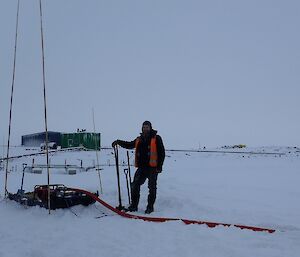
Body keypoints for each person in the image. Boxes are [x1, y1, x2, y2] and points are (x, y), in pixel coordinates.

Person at [112, 121, 165, 214]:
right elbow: (129, 145)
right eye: (144, 127)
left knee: (152, 188)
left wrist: (159, 166)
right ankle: (133, 206)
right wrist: (118, 142)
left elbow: (162, 153)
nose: (145, 129)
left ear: (150, 128)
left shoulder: (156, 138)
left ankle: (150, 207)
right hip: (141, 168)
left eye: (147, 127)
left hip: (153, 168)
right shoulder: (139, 139)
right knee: (135, 185)